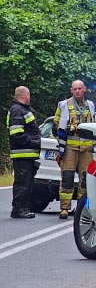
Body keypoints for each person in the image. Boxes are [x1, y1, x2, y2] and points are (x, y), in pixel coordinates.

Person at [53, 80, 96, 220]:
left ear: (84, 89)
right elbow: (56, 126)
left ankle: (81, 208)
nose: (77, 91)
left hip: (86, 149)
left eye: (80, 89)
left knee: (85, 179)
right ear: (71, 90)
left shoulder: (91, 105)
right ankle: (64, 208)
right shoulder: (63, 105)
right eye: (75, 89)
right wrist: (61, 147)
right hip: (70, 148)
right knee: (67, 177)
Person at [6, 86, 41, 219]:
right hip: (22, 154)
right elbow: (16, 134)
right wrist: (34, 142)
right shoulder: (17, 110)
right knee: (22, 182)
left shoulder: (22, 109)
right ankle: (18, 209)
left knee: (27, 183)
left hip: (27, 154)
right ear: (26, 95)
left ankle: (24, 207)